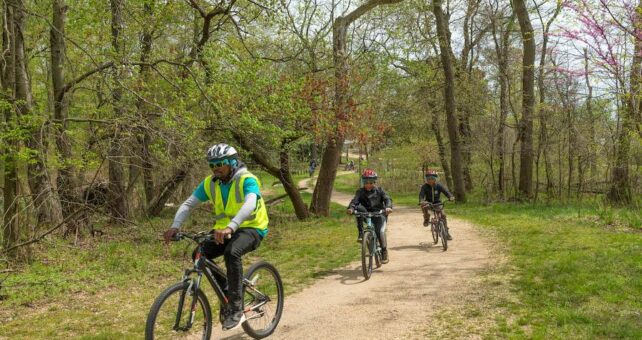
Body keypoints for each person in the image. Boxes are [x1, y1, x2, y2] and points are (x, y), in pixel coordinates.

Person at [163, 143, 269, 331]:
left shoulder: (247, 179)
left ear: (232, 162)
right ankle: (227, 290)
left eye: (220, 163)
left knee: (232, 252)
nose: (216, 168)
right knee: (199, 253)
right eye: (212, 165)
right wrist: (175, 226)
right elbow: (188, 204)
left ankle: (236, 307)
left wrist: (231, 226)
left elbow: (250, 203)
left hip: (252, 228)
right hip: (224, 230)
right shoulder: (211, 183)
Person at [347, 169, 393, 263]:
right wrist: (351, 208)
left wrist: (388, 207)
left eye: (371, 182)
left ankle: (384, 251)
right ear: (363, 182)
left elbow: (387, 199)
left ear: (374, 182)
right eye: (366, 182)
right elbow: (355, 201)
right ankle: (361, 233)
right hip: (366, 214)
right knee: (358, 209)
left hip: (379, 214)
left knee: (380, 232)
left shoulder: (380, 190)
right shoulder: (360, 191)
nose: (368, 184)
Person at [419, 169, 454, 240]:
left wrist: (450, 196)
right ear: (426, 180)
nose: (430, 180)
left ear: (435, 179)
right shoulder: (424, 187)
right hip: (428, 203)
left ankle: (446, 232)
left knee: (443, 215)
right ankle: (426, 218)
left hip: (438, 203)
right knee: (424, 206)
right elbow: (421, 195)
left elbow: (446, 192)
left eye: (432, 178)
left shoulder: (439, 186)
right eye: (428, 179)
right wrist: (422, 201)